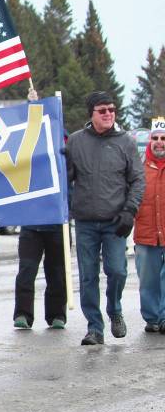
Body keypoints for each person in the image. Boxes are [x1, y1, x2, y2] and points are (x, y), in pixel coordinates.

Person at [65, 91, 144, 346]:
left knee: (118, 271)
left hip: (115, 221)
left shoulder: (126, 143)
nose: (108, 114)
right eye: (102, 110)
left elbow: (137, 180)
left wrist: (129, 211)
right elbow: (63, 178)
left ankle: (115, 309)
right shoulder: (76, 142)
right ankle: (94, 328)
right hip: (86, 221)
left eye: (111, 109)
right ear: (92, 114)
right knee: (88, 276)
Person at [134, 127, 165, 332]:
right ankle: (152, 318)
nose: (159, 141)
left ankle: (164, 317)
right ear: (149, 142)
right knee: (148, 279)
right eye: (155, 138)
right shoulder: (138, 168)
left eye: (163, 138)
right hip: (146, 233)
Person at [13, 225, 67, 330]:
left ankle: (57, 315)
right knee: (26, 270)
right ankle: (22, 314)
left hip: (58, 227)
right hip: (30, 227)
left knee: (57, 273)